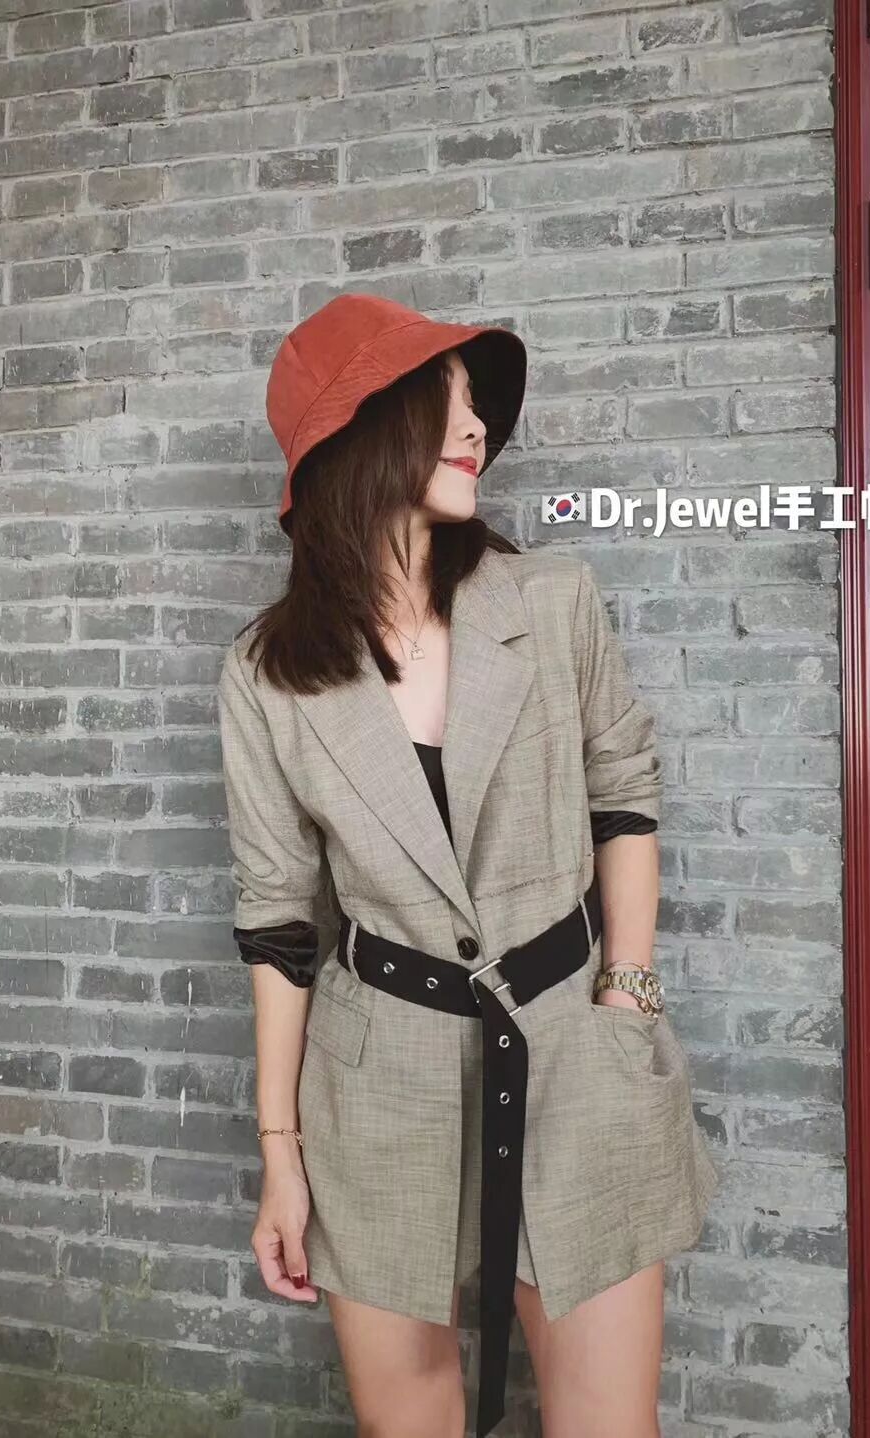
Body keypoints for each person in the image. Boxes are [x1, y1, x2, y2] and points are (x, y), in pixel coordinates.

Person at [217, 294, 719, 1438]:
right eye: (441, 403)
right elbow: (278, 922)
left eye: (476, 406)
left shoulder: (551, 598)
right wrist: (281, 1154)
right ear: (359, 434)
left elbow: (624, 793)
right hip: (376, 1081)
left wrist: (627, 993)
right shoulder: (266, 672)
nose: (477, 427)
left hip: (574, 1048)